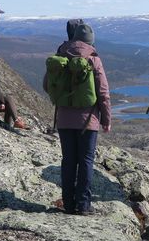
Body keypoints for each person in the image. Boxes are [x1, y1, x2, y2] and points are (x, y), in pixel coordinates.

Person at [44, 23, 111, 215]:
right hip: (88, 121)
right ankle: (83, 205)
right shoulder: (93, 60)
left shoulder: (60, 57)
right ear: (90, 42)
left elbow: (47, 85)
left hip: (64, 119)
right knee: (86, 162)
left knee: (68, 161)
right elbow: (103, 93)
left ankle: (68, 203)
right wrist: (106, 119)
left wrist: (65, 98)